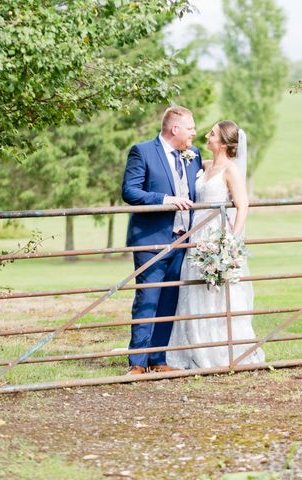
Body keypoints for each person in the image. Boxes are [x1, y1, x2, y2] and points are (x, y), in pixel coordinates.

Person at [166, 120, 265, 369]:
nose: (206, 137)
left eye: (212, 134)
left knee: (217, 293)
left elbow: (243, 205)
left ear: (222, 142)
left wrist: (230, 240)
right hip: (196, 236)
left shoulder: (230, 170)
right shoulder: (206, 165)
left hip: (215, 235)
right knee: (194, 291)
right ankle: (193, 346)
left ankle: (220, 348)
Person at [121, 105, 203, 375]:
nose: (194, 132)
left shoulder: (194, 155)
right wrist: (165, 200)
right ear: (175, 129)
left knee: (169, 300)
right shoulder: (142, 151)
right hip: (152, 240)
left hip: (183, 241)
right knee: (148, 299)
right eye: (190, 128)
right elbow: (130, 191)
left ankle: (158, 359)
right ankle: (137, 362)